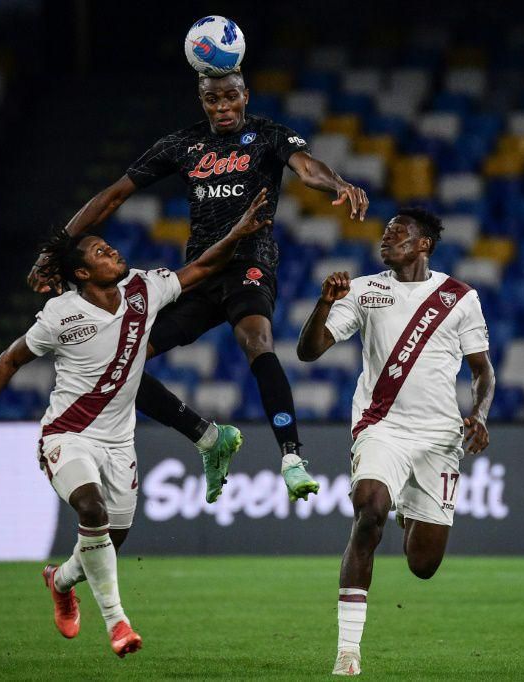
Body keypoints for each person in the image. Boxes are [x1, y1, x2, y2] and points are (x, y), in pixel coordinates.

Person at [0, 191, 272, 657]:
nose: (112, 251)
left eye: (108, 246)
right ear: (82, 274)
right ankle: (118, 624)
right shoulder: (60, 315)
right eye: (100, 251)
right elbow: (9, 360)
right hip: (68, 435)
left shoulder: (143, 288)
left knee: (108, 542)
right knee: (91, 510)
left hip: (120, 444)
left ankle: (60, 581)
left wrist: (238, 232)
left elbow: (199, 269)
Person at [27, 69, 370, 502]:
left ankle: (291, 457)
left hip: (250, 262)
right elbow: (114, 195)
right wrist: (54, 252)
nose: (223, 107)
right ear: (202, 101)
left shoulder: (269, 134)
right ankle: (209, 438)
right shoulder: (181, 145)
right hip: (200, 272)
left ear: (246, 95)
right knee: (122, 362)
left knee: (256, 339)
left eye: (231, 97)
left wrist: (338, 183)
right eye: (213, 100)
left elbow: (306, 168)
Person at [296, 208, 495, 676]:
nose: (386, 239)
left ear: (424, 244)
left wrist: (481, 415)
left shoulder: (460, 297)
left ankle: (409, 507)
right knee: (369, 510)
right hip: (381, 426)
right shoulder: (363, 290)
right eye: (385, 233)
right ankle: (348, 650)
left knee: (422, 564)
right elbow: (309, 351)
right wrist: (324, 303)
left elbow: (482, 370)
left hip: (439, 436)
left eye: (398, 233)